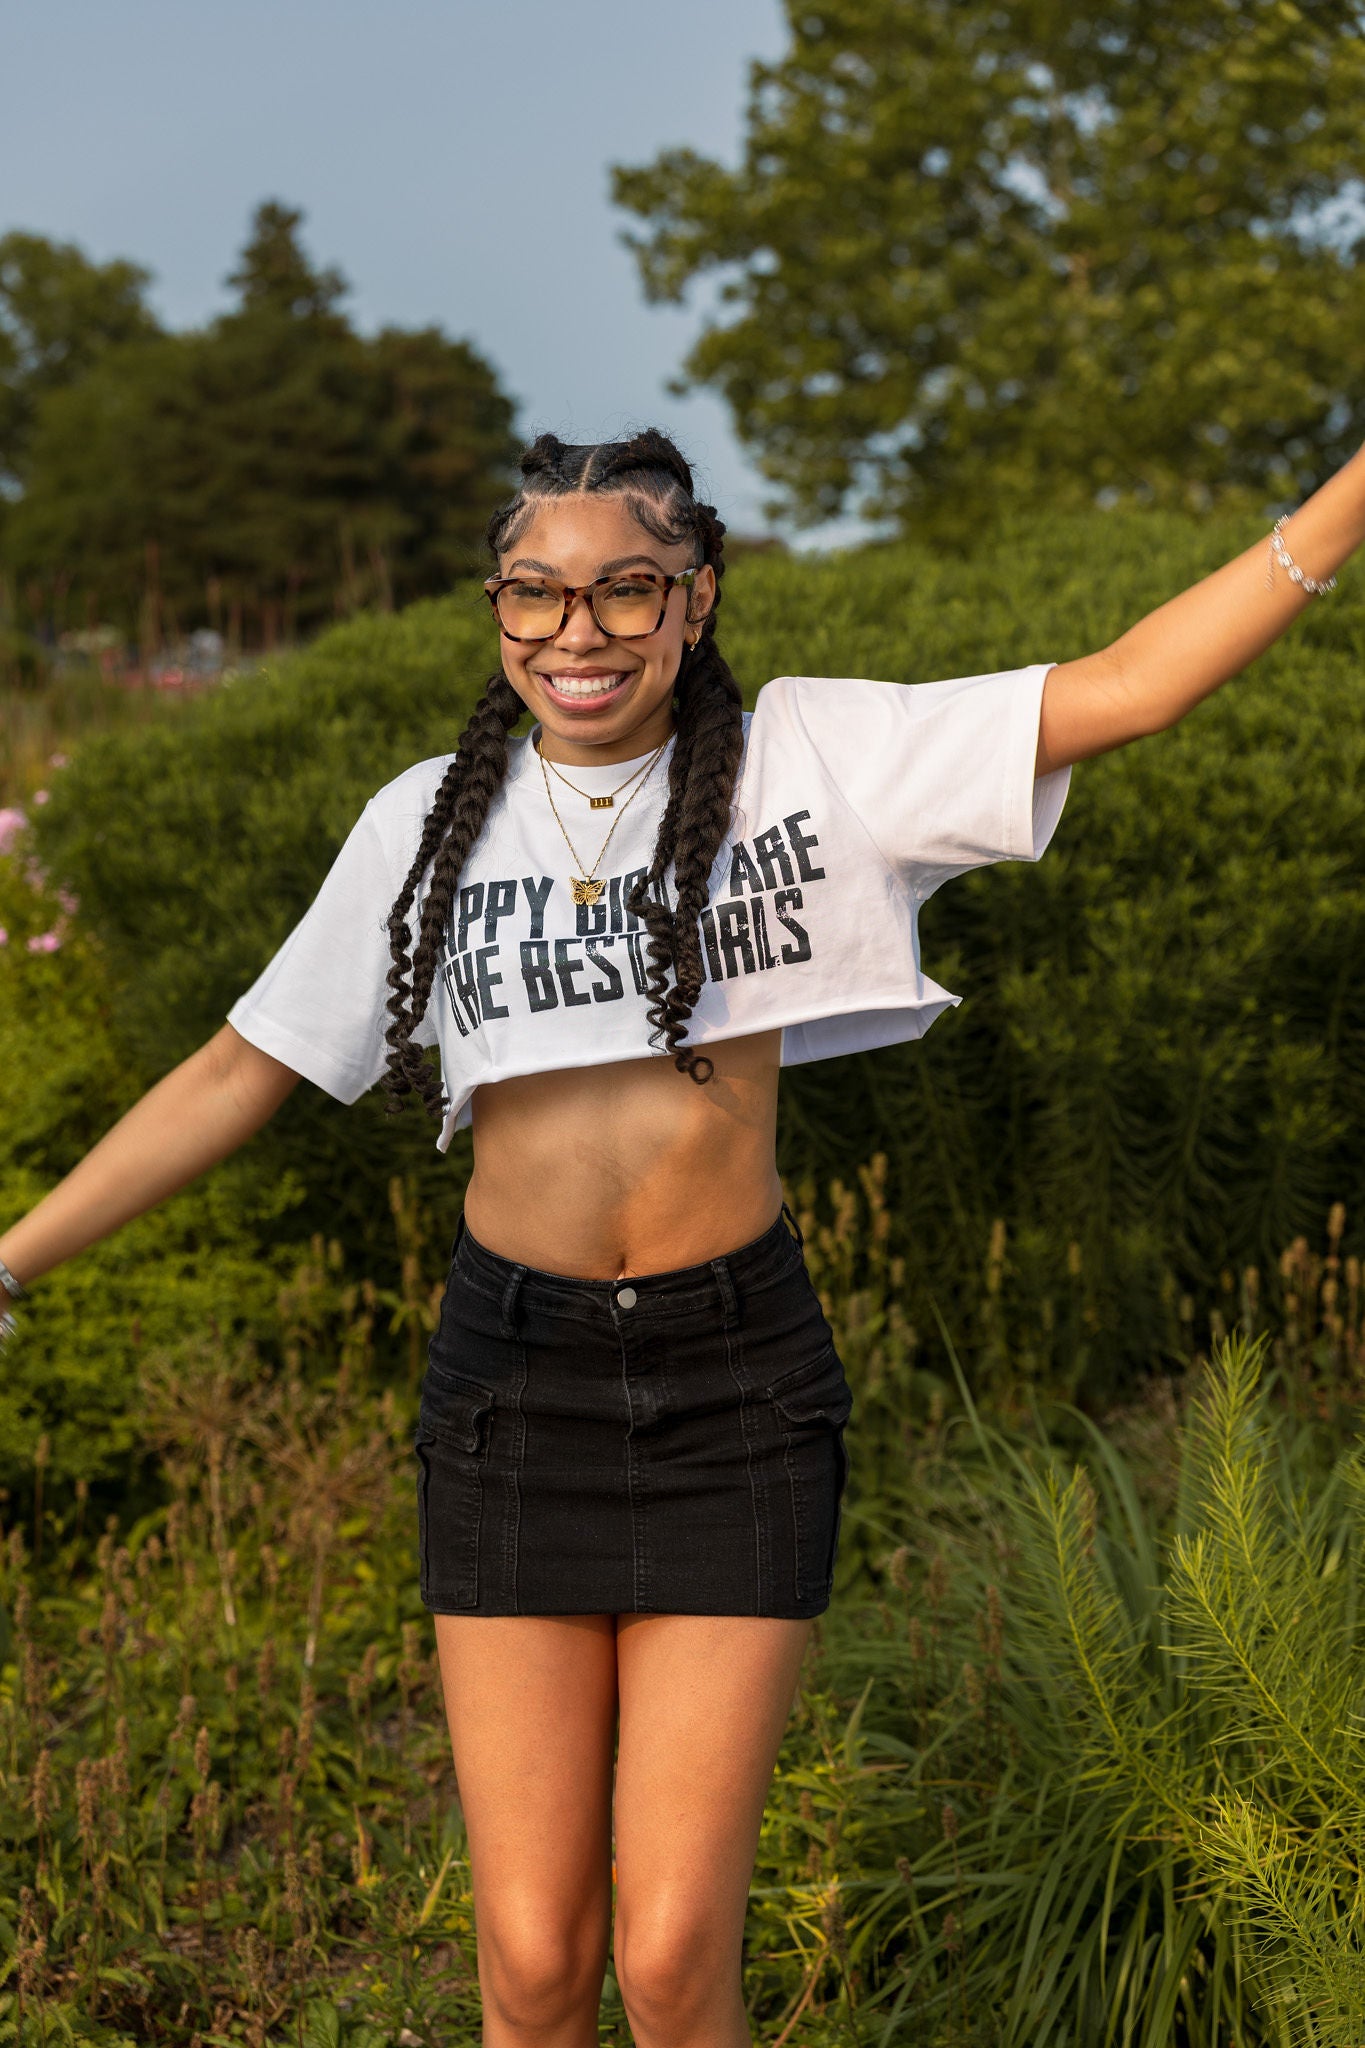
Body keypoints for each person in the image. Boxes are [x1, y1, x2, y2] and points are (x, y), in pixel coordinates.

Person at [2, 424, 1360, 2047]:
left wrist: (1347, 494)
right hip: (512, 1390)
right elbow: (242, 1065)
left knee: (665, 1961)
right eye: (535, 593)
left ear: (696, 600)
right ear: (494, 608)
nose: (576, 632)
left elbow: (1132, 685)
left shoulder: (814, 761)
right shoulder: (425, 820)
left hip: (734, 1392)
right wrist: (10, 1256)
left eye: (625, 591)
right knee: (524, 1961)